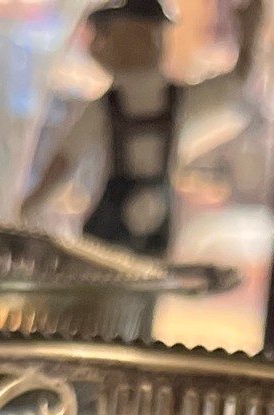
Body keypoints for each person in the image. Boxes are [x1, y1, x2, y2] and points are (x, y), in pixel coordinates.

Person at [20, 0, 261, 261]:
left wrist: (33, 202)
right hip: (117, 232)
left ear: (142, 36)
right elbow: (66, 158)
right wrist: (33, 203)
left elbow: (65, 159)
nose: (97, 46)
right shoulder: (108, 107)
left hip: (145, 234)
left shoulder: (171, 102)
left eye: (107, 34)